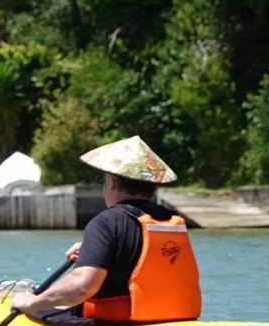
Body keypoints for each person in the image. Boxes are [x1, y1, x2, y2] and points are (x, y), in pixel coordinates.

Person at [11, 136, 201, 323]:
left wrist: (32, 302)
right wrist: (95, 250)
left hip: (116, 321)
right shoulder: (171, 220)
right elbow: (142, 255)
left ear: (111, 182)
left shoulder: (106, 222)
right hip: (171, 316)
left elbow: (82, 288)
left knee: (39, 311)